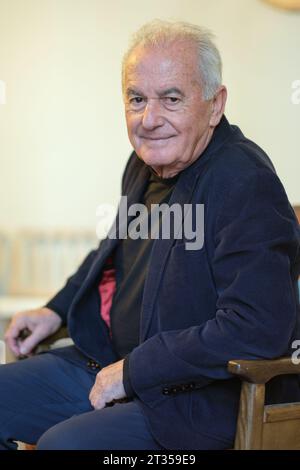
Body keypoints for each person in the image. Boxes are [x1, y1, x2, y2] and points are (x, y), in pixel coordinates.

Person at [1, 19, 300, 451]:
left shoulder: (244, 182)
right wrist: (56, 309)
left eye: (171, 98)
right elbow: (115, 251)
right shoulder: (144, 164)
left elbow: (258, 326)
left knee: (65, 445)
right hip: (108, 362)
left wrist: (134, 370)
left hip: (191, 399)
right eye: (136, 99)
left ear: (215, 105)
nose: (149, 119)